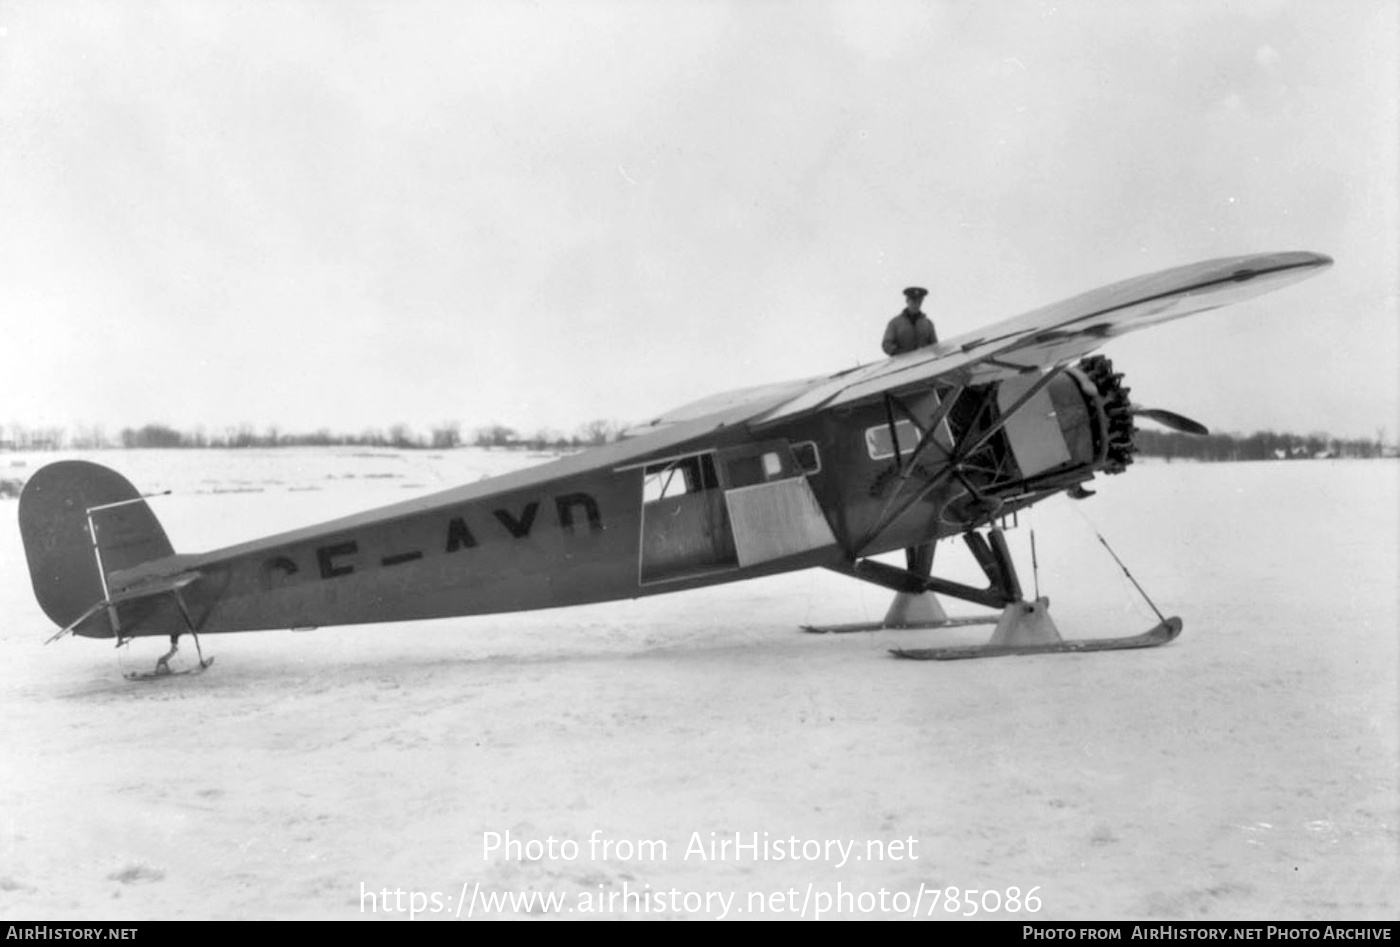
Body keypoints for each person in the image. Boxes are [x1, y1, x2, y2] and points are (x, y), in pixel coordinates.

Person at [882, 286, 937, 356]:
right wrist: (901, 353)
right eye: (913, 301)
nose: (916, 305)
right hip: (902, 364)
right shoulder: (895, 323)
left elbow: (935, 346)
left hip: (924, 363)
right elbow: (887, 344)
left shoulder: (928, 324)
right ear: (907, 300)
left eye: (919, 302)